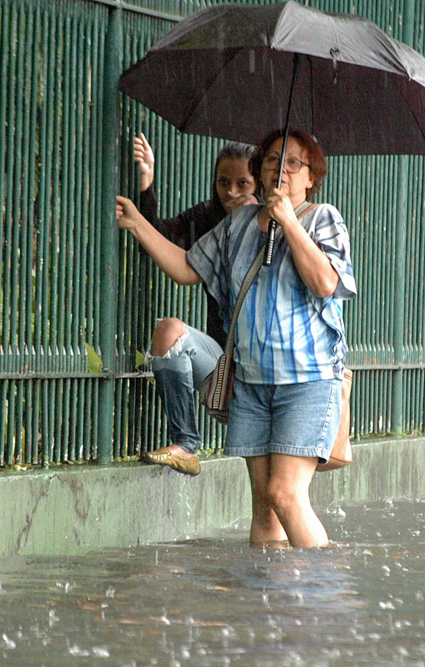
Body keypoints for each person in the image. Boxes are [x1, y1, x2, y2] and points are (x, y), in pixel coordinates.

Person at [116, 129, 356, 548]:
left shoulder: (323, 218)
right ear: (260, 170)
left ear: (311, 177)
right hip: (252, 383)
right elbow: (188, 267)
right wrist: (138, 224)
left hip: (307, 381)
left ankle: (320, 598)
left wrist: (288, 222)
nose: (280, 169)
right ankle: (268, 602)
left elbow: (324, 282)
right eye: (271, 161)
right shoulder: (239, 224)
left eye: (293, 163)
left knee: (285, 493)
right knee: (264, 508)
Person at [126, 134, 258, 476]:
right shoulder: (208, 217)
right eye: (223, 182)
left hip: (268, 368)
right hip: (223, 364)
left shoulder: (274, 226)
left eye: (242, 183)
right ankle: (185, 444)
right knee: (168, 331)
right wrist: (147, 184)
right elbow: (157, 241)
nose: (230, 192)